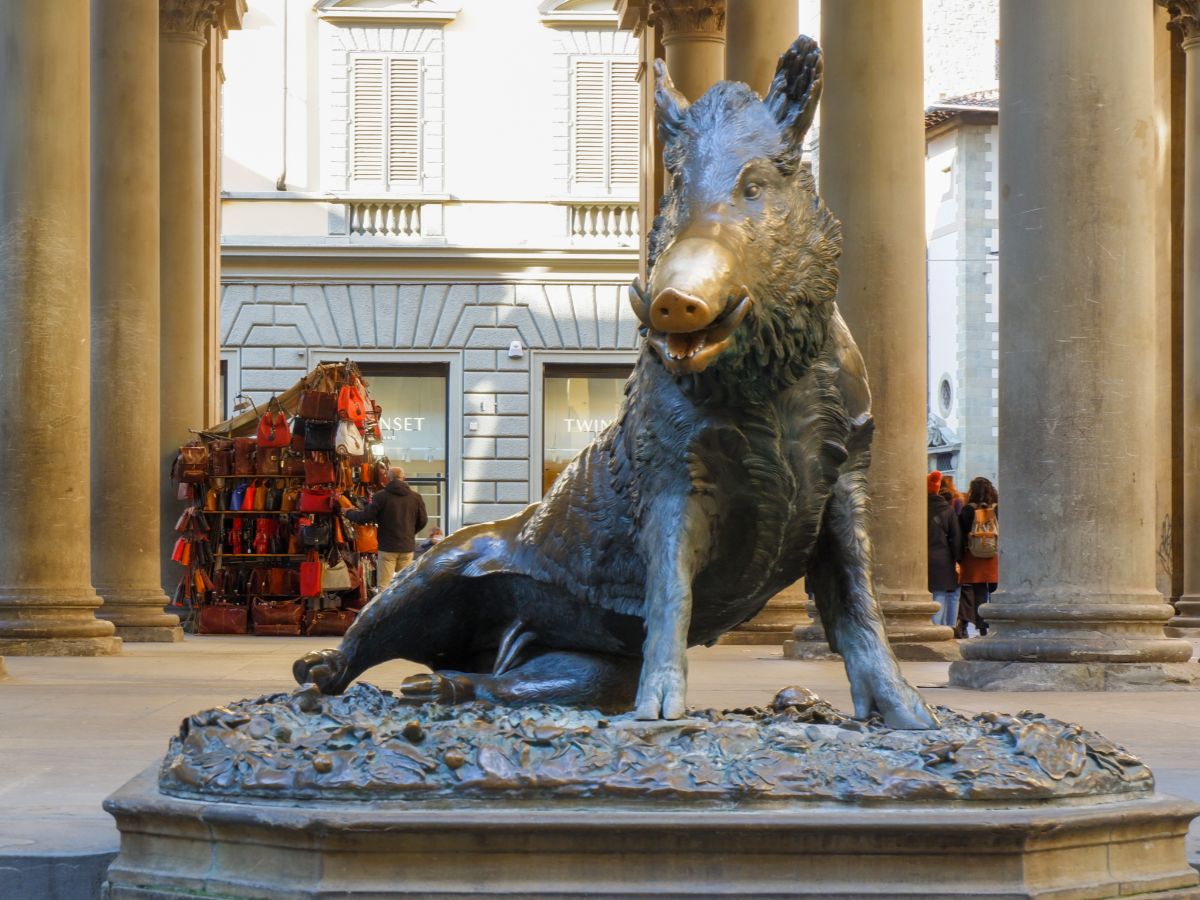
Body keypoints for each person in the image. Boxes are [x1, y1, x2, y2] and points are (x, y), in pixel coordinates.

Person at [345, 466, 428, 588]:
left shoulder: (380, 497)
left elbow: (365, 517)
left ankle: (384, 608)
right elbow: (423, 520)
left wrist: (348, 513)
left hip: (387, 547)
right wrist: (410, 533)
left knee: (384, 586)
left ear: (388, 479)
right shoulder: (415, 497)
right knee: (405, 586)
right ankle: (402, 607)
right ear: (403, 478)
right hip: (407, 547)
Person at [957, 475, 999, 638]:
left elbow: (960, 533)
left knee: (978, 591)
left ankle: (982, 627)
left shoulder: (968, 509)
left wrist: (959, 557)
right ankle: (997, 622)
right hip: (994, 555)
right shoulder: (997, 509)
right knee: (995, 590)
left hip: (973, 555)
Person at [927, 470, 961, 629]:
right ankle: (937, 628)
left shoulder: (915, 509)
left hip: (919, 560)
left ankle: (930, 628)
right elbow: (956, 538)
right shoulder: (948, 510)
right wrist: (958, 559)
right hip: (942, 559)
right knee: (939, 595)